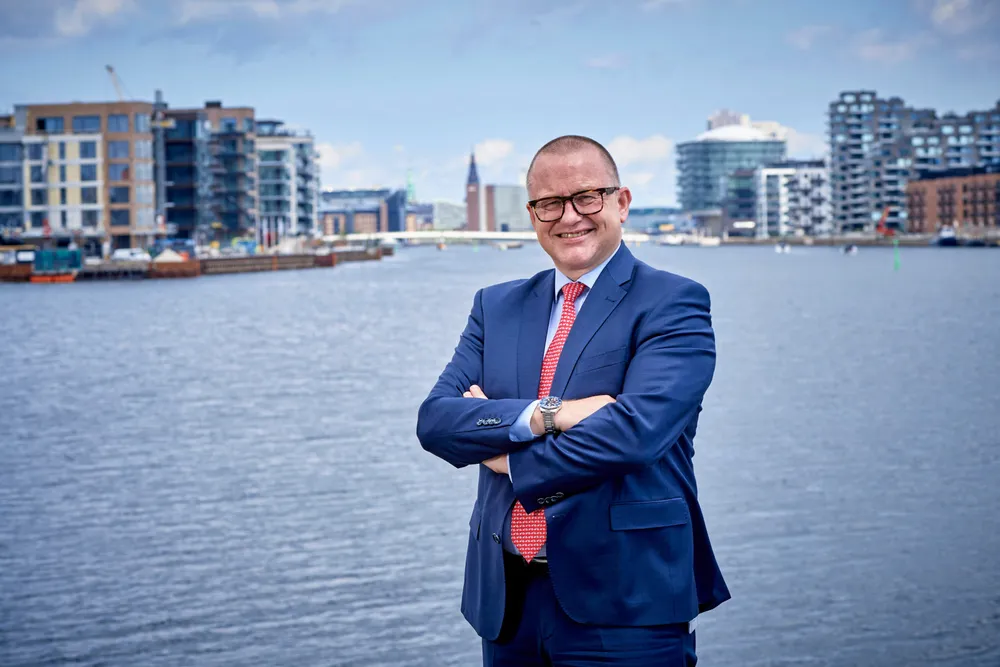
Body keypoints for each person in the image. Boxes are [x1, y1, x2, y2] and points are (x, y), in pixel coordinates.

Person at [416, 135, 730, 666]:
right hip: (507, 601)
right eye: (549, 203)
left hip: (628, 602)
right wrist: (551, 415)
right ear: (532, 214)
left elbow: (634, 435)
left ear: (621, 202)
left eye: (587, 197)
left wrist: (506, 457)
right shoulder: (495, 306)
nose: (569, 217)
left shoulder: (673, 302)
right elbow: (438, 422)